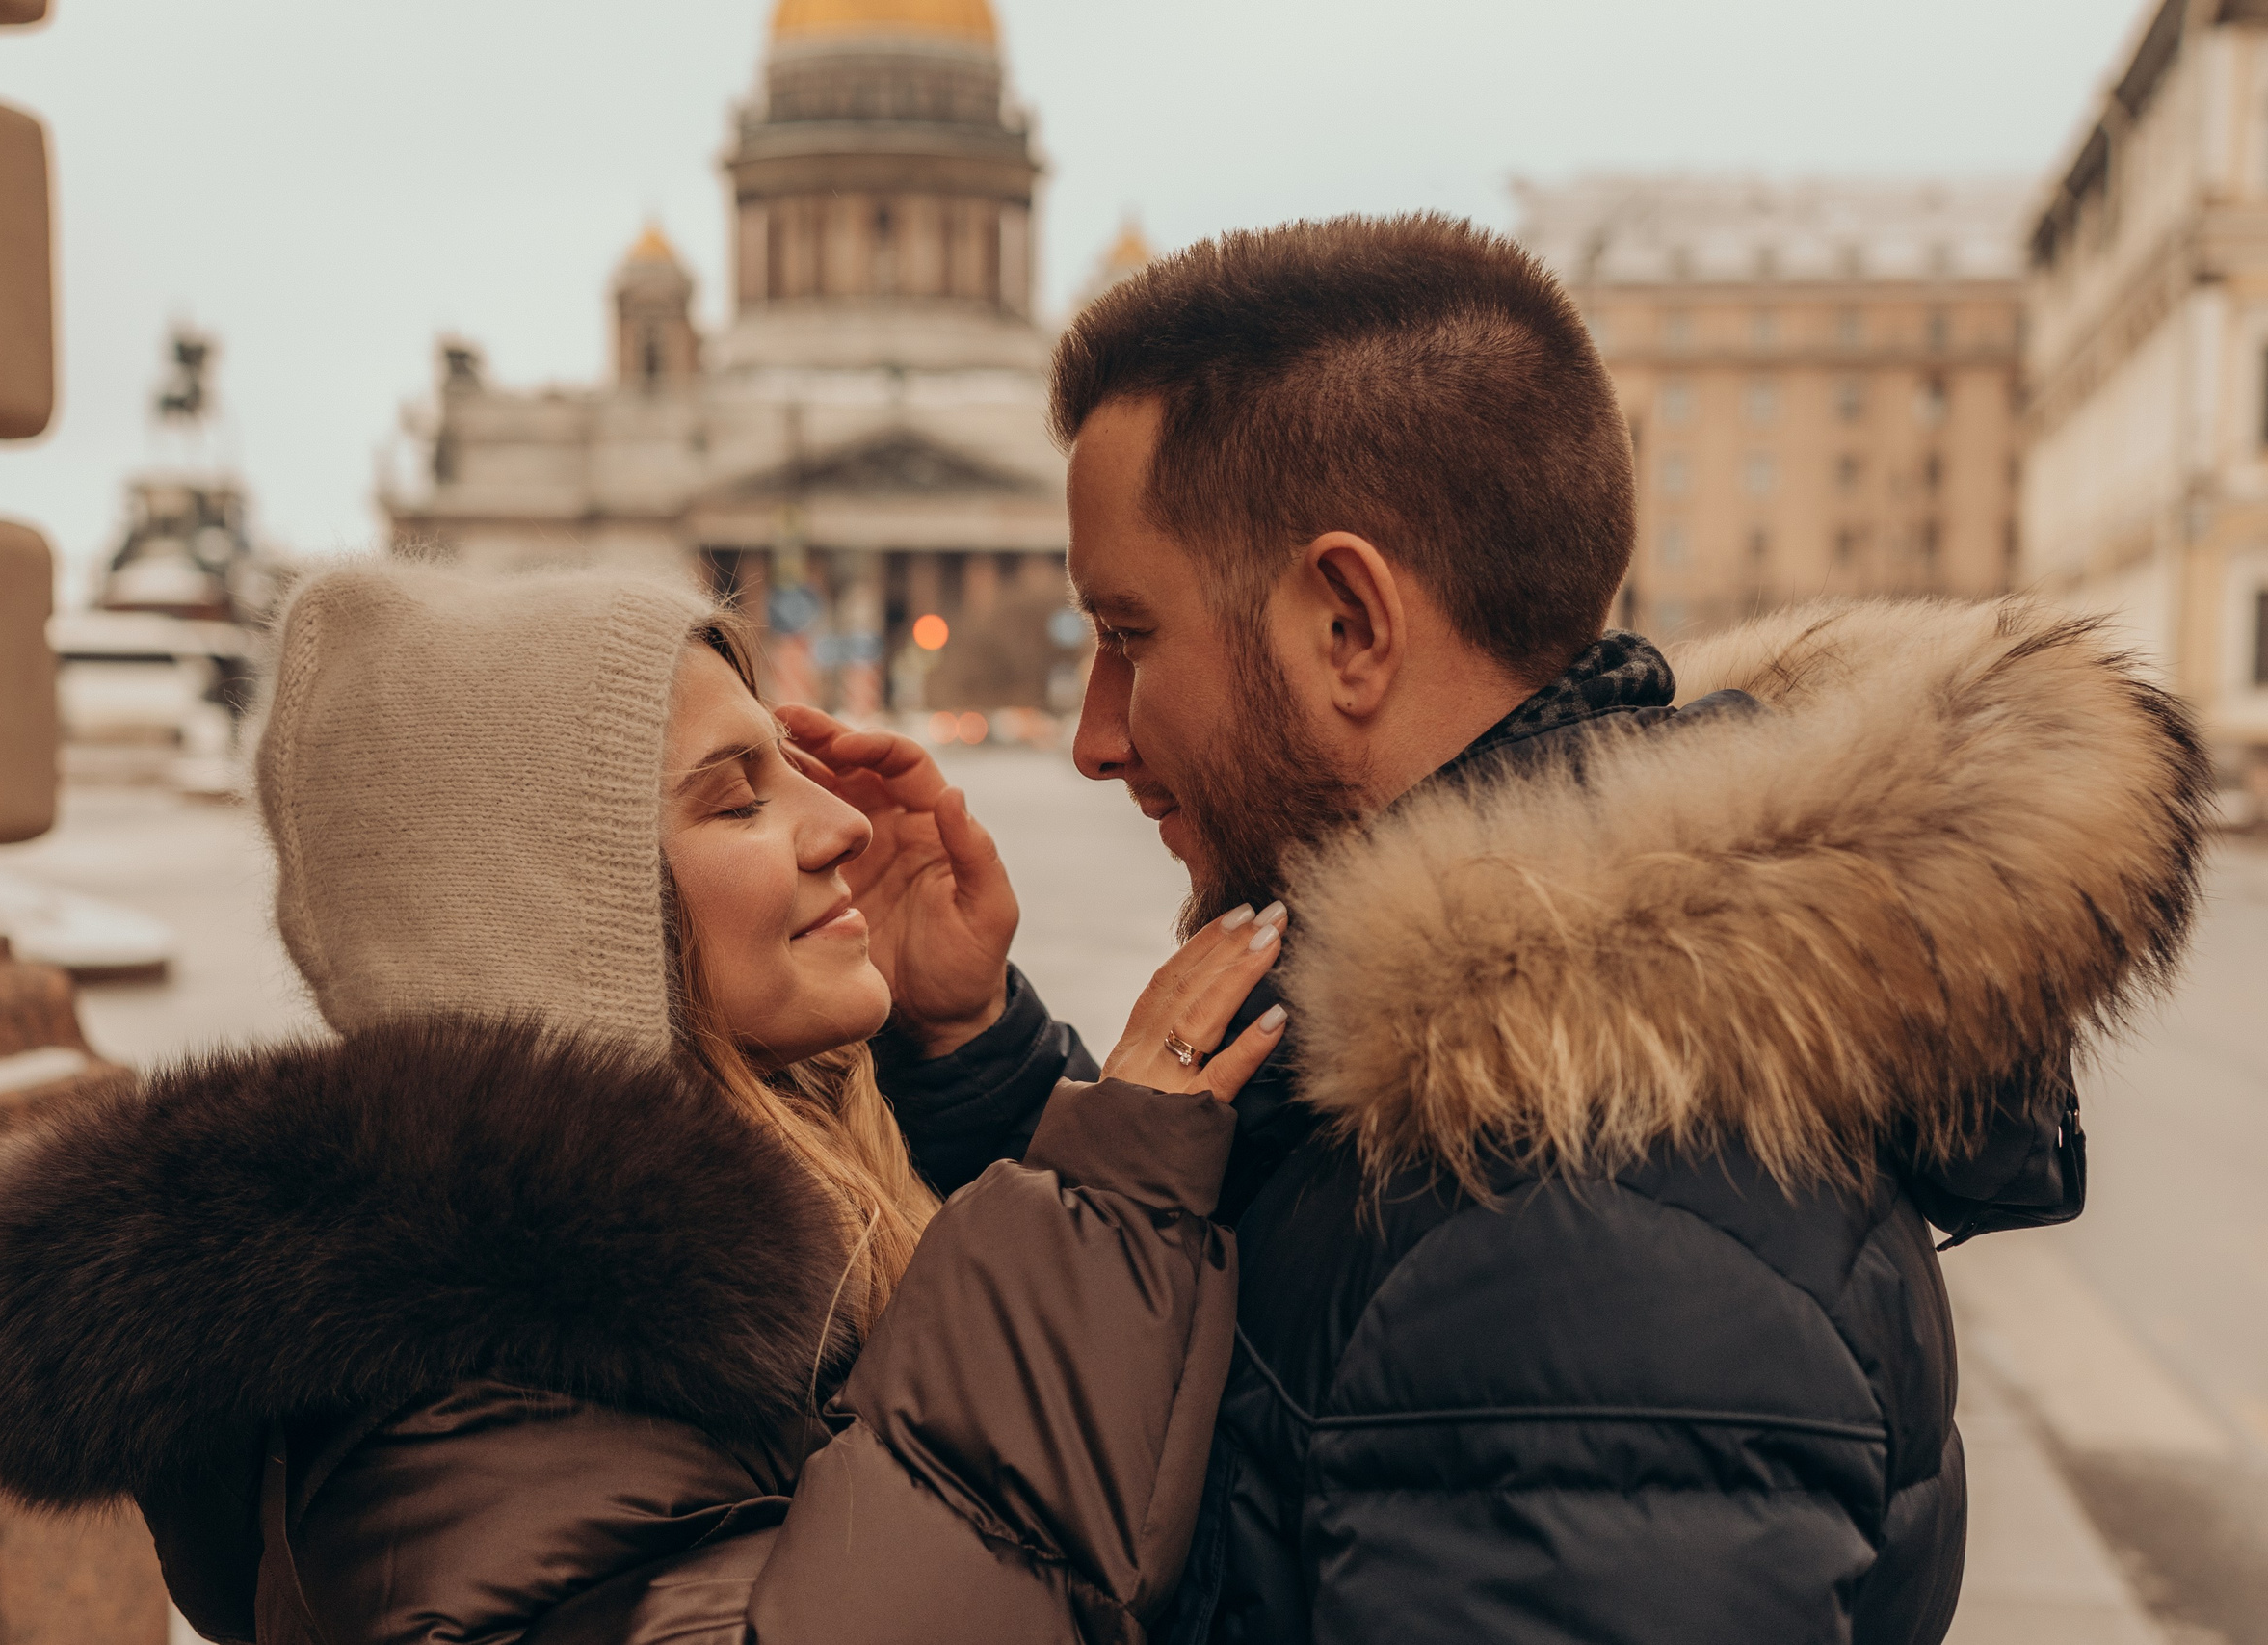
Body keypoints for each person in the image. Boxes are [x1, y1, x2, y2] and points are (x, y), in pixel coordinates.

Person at [792, 214, 2213, 1644]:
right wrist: (974, 1042)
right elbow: (1269, 1333)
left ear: (1350, 628)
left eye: (1129, 636)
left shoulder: (1595, 1247)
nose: (1095, 738)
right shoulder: (1515, 1088)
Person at [0, 564, 1292, 1645]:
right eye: (738, 801)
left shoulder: (610, 1295)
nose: (845, 825)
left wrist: (967, 1049)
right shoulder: (467, 1397)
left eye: (797, 765)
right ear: (559, 927)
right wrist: (1097, 1209)